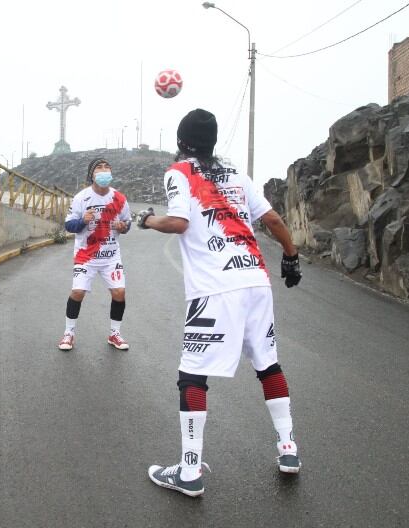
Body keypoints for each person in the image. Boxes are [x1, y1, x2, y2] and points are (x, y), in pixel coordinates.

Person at [136, 109, 304, 497]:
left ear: (181, 142)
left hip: (215, 288)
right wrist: (291, 256)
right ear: (212, 142)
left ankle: (190, 472)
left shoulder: (179, 171)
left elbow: (178, 222)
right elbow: (274, 220)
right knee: (268, 364)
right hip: (255, 280)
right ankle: (289, 449)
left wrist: (147, 221)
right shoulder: (236, 174)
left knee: (192, 376)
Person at [58, 158, 133, 351]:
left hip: (110, 256)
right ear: (92, 174)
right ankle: (69, 333)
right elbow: (69, 225)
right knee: (78, 292)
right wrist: (83, 220)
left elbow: (128, 224)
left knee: (119, 293)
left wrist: (122, 227)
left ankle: (114, 333)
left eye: (107, 167)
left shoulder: (119, 198)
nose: (104, 170)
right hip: (86, 256)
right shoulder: (81, 198)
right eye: (99, 168)